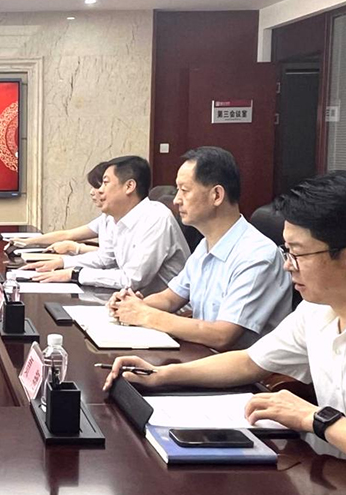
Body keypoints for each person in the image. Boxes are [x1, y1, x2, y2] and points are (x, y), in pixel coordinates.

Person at [103, 171, 346, 489]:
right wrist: (162, 375)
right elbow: (250, 361)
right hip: (333, 482)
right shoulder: (319, 309)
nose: (287, 265)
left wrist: (317, 419)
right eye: (286, 251)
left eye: (298, 254)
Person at [108, 147, 291, 350]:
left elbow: (222, 335)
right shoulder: (206, 244)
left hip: (237, 366)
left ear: (216, 195)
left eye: (184, 190)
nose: (176, 200)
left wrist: (147, 315)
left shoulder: (257, 255)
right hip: (203, 355)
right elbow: (170, 298)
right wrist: (131, 305)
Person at [28, 155, 189, 295]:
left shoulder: (156, 218)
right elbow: (105, 258)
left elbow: (132, 280)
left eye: (105, 183)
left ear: (129, 186)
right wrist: (63, 263)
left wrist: (75, 274)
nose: (100, 190)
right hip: (136, 302)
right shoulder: (116, 218)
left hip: (171, 313)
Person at [14, 161, 113, 256]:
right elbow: (67, 235)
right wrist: (27, 241)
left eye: (97, 186)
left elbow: (111, 256)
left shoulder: (120, 221)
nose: (92, 192)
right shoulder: (105, 218)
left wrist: (75, 248)